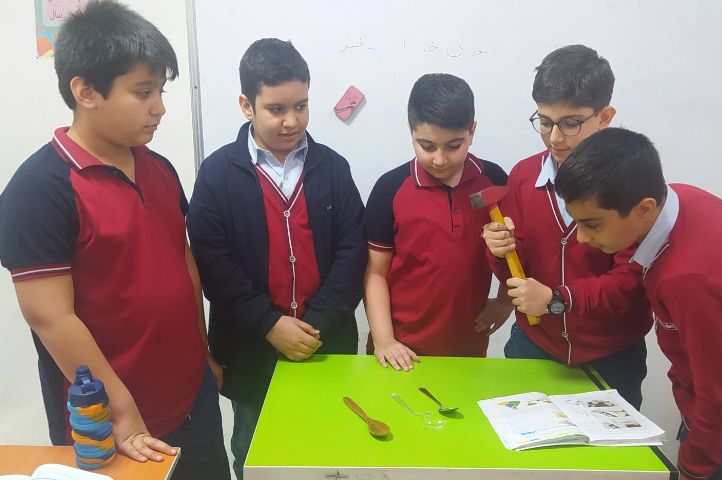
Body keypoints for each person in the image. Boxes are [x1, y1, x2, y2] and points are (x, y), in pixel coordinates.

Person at [0, 2, 229, 478]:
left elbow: (182, 262)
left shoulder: (159, 168)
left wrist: (202, 353)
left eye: (160, 91)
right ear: (85, 91)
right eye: (143, 92)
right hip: (111, 424)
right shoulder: (40, 189)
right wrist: (121, 414)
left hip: (191, 395)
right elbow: (49, 316)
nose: (159, 107)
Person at [186, 38, 366, 478]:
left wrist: (314, 324)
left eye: (301, 106)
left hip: (326, 344)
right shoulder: (217, 174)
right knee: (257, 457)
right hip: (250, 350)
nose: (292, 121)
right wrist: (269, 324)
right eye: (276, 109)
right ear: (246, 105)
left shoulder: (333, 168)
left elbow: (352, 252)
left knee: (330, 456)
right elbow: (213, 265)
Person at [555, 127, 722, 480]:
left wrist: (694, 468)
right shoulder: (684, 198)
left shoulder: (689, 279)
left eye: (592, 224)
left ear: (644, 208)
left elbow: (719, 396)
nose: (581, 238)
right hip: (715, 414)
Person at [481, 45, 651, 408]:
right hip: (535, 345)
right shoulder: (524, 176)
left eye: (570, 123)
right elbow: (517, 274)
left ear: (605, 116)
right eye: (544, 121)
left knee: (609, 447)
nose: (555, 138)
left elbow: (631, 282)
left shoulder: (631, 181)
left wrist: (558, 300)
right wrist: (499, 251)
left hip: (611, 354)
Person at [364, 73, 510, 371]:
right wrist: (384, 340)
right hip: (399, 349)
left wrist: (505, 302)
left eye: (454, 145)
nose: (440, 159)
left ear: (472, 131)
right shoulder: (390, 189)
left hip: (468, 348)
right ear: (411, 131)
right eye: (427, 146)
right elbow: (376, 273)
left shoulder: (494, 181)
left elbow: (513, 250)